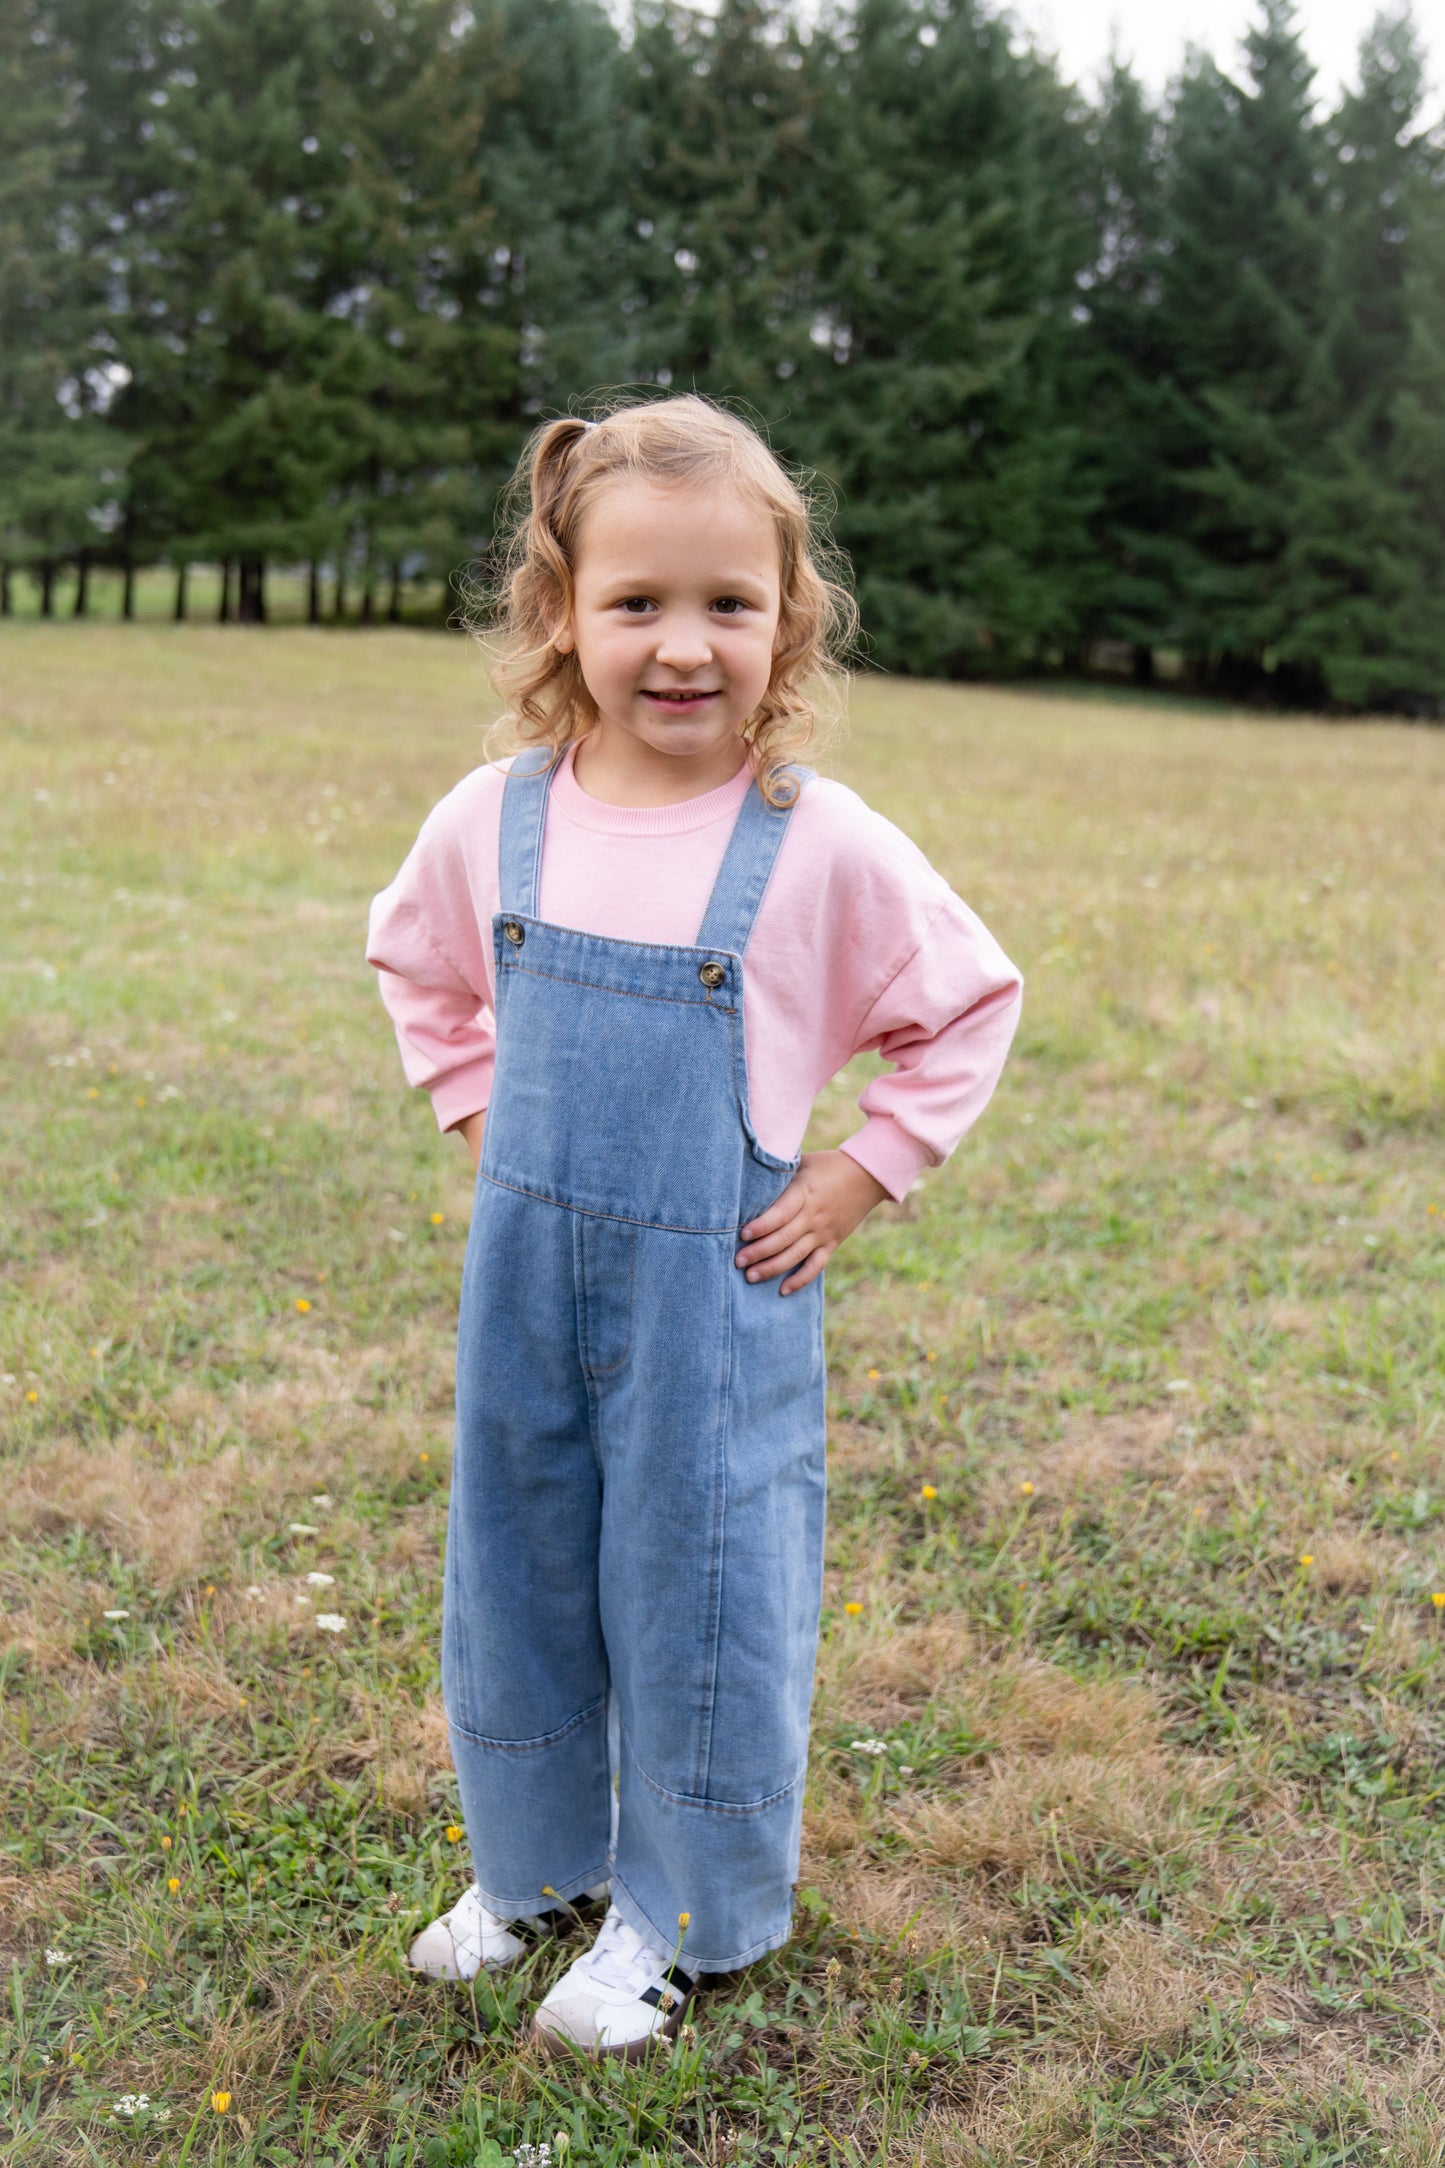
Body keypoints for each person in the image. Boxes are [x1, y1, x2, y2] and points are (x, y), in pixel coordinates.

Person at [366, 394, 1021, 2058]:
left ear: (786, 623)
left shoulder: (814, 847)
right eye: (635, 603)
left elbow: (966, 1004)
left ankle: (681, 1914)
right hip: (523, 1277)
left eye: (726, 605)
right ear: (558, 613)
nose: (680, 647)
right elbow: (419, 966)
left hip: (711, 1298)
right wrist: (468, 1109)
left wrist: (859, 1171)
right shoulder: (496, 817)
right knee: (511, 1568)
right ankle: (531, 1866)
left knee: (699, 1589)